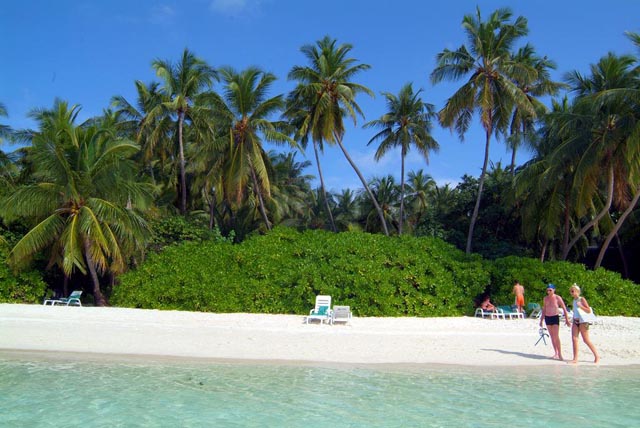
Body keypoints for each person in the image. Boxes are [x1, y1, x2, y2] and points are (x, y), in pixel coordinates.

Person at [569, 284, 600, 364]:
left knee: (586, 340)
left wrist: (580, 306)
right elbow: (575, 312)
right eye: (570, 291)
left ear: (577, 292)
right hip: (575, 321)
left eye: (572, 291)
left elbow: (588, 310)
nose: (571, 293)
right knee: (574, 339)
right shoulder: (574, 300)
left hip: (583, 321)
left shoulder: (581, 299)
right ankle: (575, 358)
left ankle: (597, 356)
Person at [539, 284, 571, 360]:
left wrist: (567, 319)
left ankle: (560, 353)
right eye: (547, 290)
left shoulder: (557, 298)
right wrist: (541, 320)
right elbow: (544, 309)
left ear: (554, 290)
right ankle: (555, 352)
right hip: (547, 317)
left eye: (550, 290)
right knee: (552, 336)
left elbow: (564, 308)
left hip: (555, 317)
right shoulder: (545, 298)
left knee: (556, 336)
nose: (549, 292)